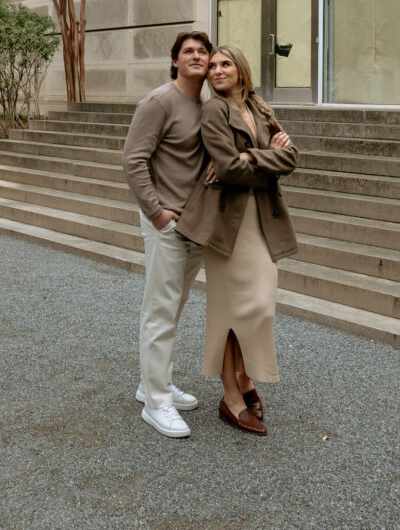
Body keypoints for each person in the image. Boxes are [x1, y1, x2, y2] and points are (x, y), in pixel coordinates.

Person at [176, 45, 298, 436]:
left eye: (224, 64)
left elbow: (292, 158)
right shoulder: (214, 111)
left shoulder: (260, 109)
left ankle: (245, 379)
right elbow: (227, 168)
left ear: (241, 70)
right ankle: (231, 396)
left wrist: (251, 158)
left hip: (261, 221)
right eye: (212, 66)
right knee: (230, 313)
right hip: (228, 225)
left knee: (259, 306)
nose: (216, 70)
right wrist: (259, 160)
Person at [122, 31, 213, 439]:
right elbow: (133, 160)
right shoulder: (159, 102)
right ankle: (156, 402)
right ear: (174, 61)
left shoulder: (207, 106)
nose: (196, 56)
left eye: (202, 51)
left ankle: (152, 382)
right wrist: (157, 214)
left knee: (174, 306)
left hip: (195, 224)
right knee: (160, 308)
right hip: (166, 223)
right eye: (187, 52)